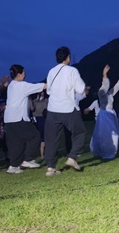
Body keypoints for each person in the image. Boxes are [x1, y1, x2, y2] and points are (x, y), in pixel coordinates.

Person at [44, 47, 88, 176]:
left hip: (52, 109)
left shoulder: (51, 71)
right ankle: (72, 157)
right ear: (68, 57)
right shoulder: (72, 71)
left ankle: (50, 168)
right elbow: (80, 89)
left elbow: (49, 91)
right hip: (67, 108)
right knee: (80, 132)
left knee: (52, 139)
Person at [3, 65, 46, 174]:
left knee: (16, 143)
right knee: (35, 136)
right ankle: (28, 159)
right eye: (24, 73)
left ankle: (13, 166)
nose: (25, 75)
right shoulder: (21, 85)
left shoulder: (11, 85)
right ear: (19, 74)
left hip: (9, 119)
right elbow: (39, 87)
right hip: (18, 118)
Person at [32, 90, 48, 158]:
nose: (42, 94)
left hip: (44, 118)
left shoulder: (46, 100)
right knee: (40, 136)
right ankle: (41, 154)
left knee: (45, 136)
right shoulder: (35, 101)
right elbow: (32, 109)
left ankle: (45, 153)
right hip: (37, 118)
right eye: (41, 92)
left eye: (43, 92)